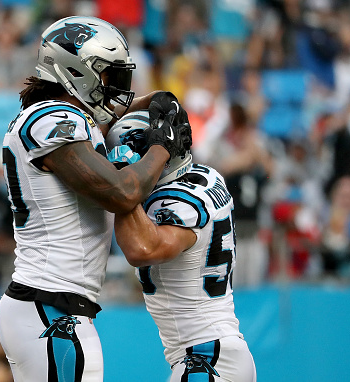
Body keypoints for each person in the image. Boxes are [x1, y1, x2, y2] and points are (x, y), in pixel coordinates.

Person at [0, 16, 191, 382]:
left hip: (51, 305)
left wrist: (157, 103)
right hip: (50, 305)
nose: (115, 87)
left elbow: (99, 127)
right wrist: (162, 147)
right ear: (76, 69)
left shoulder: (56, 116)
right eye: (108, 75)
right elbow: (123, 193)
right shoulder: (50, 118)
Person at [107, 111, 256, 382]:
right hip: (218, 349)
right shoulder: (207, 175)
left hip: (204, 356)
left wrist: (124, 180)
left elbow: (141, 249)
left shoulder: (173, 202)